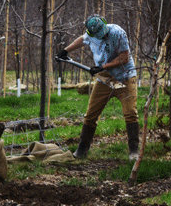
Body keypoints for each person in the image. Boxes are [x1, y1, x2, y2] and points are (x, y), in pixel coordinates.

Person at [57, 15, 139, 160]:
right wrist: (66, 50)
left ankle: (134, 151)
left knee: (130, 112)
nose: (103, 35)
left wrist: (102, 66)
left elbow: (124, 57)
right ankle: (81, 150)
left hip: (125, 77)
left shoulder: (117, 32)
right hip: (105, 79)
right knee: (90, 115)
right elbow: (82, 40)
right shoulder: (90, 35)